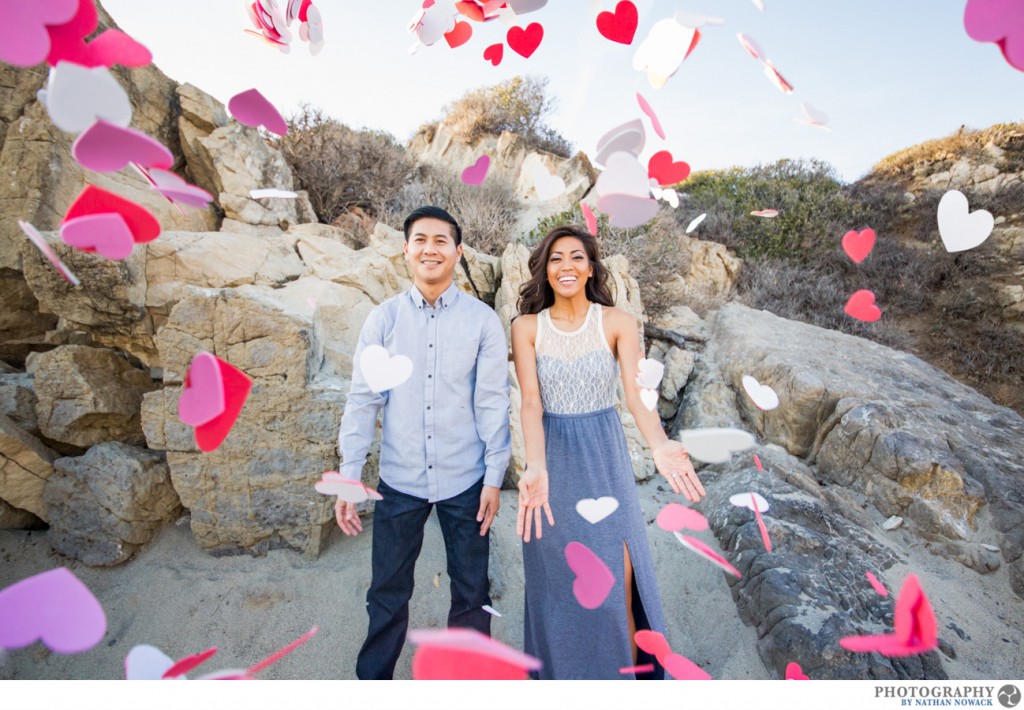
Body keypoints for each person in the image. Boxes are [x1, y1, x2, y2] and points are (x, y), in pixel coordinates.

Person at [510, 224, 706, 680]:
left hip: (604, 457)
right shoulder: (526, 328)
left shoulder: (617, 321)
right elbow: (531, 403)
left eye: (577, 257)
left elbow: (636, 398)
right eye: (556, 258)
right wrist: (535, 465)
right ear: (544, 268)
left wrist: (659, 444)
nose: (566, 266)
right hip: (552, 462)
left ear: (591, 265)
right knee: (560, 581)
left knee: (620, 579)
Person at [335, 205, 511, 680]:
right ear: (406, 250)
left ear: (457, 251)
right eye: (420, 240)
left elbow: (492, 404)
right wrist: (349, 476)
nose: (430, 249)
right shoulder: (383, 320)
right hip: (401, 480)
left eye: (441, 241)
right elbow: (362, 402)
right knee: (387, 591)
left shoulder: (482, 322)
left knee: (472, 591)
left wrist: (494, 477)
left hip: (466, 480)